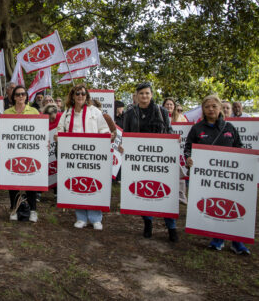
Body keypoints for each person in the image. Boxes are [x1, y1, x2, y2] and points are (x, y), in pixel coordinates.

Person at [184, 95, 250, 255]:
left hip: (229, 178)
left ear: (220, 108)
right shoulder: (197, 128)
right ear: (203, 109)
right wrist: (188, 159)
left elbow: (239, 148)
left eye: (214, 106)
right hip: (207, 178)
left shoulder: (229, 128)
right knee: (213, 205)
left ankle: (237, 242)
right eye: (207, 107)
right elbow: (187, 148)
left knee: (232, 205)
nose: (211, 109)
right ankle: (217, 239)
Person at [122, 82, 178, 242]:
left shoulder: (162, 111)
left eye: (147, 93)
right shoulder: (130, 113)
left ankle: (171, 227)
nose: (144, 96)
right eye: (141, 94)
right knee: (144, 189)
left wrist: (171, 147)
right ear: (137, 96)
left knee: (166, 191)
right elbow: (126, 134)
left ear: (151, 95)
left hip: (160, 159)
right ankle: (148, 222)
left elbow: (169, 131)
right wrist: (123, 147)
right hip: (140, 160)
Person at [57, 85, 110, 230]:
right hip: (73, 157)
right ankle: (81, 217)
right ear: (72, 96)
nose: (80, 96)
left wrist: (105, 139)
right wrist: (59, 137)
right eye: (77, 93)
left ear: (87, 96)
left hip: (92, 156)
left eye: (83, 94)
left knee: (93, 183)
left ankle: (95, 218)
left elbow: (104, 130)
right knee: (77, 183)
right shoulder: (67, 113)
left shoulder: (95, 112)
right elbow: (60, 130)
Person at [3, 85, 40, 222]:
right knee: (12, 180)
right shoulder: (7, 113)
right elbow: (3, 132)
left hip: (30, 151)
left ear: (26, 96)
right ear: (13, 97)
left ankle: (33, 210)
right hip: (12, 151)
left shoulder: (34, 112)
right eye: (17, 94)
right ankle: (14, 208)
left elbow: (39, 132)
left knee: (31, 180)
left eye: (22, 94)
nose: (20, 97)